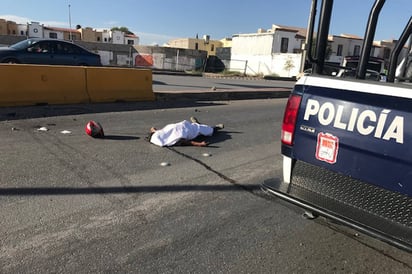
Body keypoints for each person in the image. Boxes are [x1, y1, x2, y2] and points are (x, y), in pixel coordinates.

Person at [148, 117, 224, 147]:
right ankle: (215, 128)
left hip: (182, 125)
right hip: (189, 130)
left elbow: (155, 131)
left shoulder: (158, 134)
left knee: (196, 126)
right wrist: (199, 144)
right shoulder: (172, 140)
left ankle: (196, 123)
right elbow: (184, 142)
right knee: (203, 129)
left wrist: (153, 130)